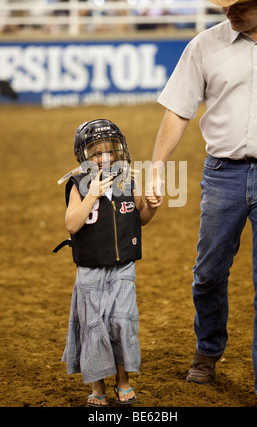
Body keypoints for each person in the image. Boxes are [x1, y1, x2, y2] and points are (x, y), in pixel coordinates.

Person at [147, 0, 257, 408]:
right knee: (208, 274)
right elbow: (179, 109)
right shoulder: (204, 46)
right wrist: (157, 167)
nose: (228, 11)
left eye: (239, 4)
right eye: (225, 2)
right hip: (221, 173)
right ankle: (208, 348)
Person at [54, 119, 159, 406]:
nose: (104, 158)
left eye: (109, 151)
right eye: (96, 153)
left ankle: (123, 381)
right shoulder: (78, 185)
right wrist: (93, 195)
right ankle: (98, 387)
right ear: (84, 157)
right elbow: (72, 224)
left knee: (121, 324)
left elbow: (140, 219)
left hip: (123, 269)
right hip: (90, 272)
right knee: (94, 328)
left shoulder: (128, 180)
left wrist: (151, 206)